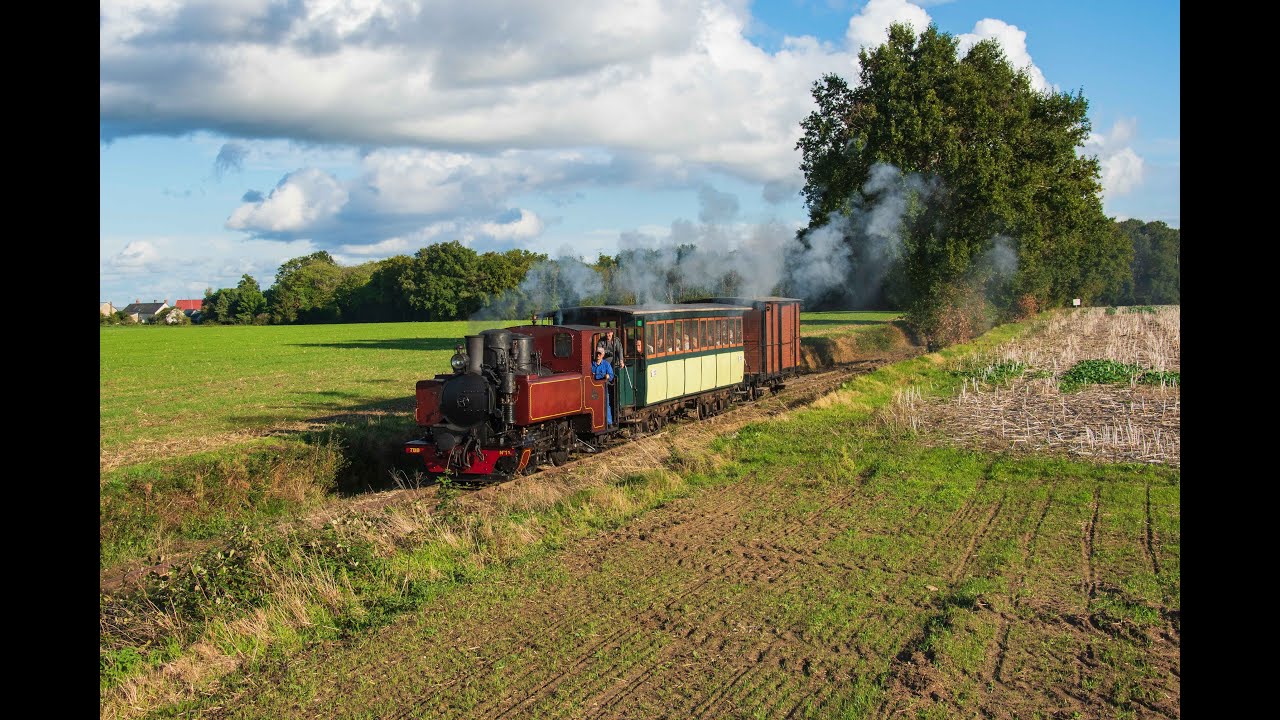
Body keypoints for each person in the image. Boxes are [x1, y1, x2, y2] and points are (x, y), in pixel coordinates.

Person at [591, 349, 615, 426]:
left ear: (603, 355)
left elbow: (610, 376)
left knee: (606, 404)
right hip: (593, 389)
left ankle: (609, 423)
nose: (598, 355)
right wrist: (602, 375)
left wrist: (598, 375)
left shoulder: (606, 364)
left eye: (600, 354)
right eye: (597, 354)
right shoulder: (591, 364)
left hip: (603, 388)